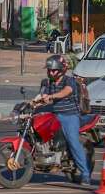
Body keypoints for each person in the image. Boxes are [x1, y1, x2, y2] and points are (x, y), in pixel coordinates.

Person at [36, 55, 91, 185]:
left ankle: (85, 174)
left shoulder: (69, 81)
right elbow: (43, 95)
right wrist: (34, 102)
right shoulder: (48, 83)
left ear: (61, 70)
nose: (50, 72)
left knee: (73, 141)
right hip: (54, 114)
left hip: (69, 115)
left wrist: (52, 96)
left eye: (52, 70)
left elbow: (66, 91)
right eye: (48, 70)